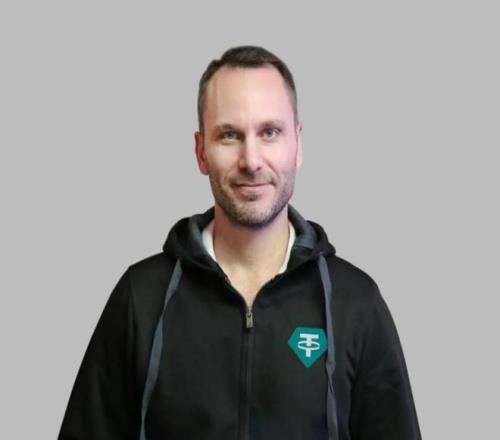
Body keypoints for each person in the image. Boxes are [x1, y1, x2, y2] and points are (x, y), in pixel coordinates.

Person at [58, 45, 422, 440]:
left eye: (270, 133)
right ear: (201, 152)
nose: (251, 160)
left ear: (298, 144)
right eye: (229, 135)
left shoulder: (355, 304)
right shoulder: (141, 299)